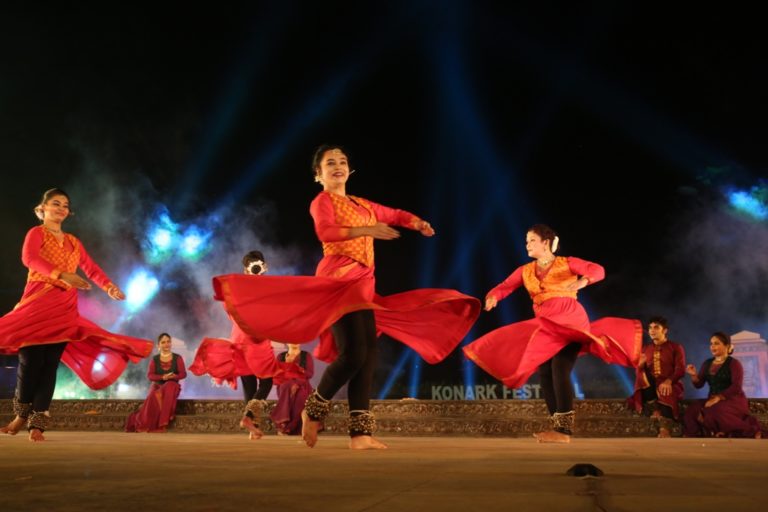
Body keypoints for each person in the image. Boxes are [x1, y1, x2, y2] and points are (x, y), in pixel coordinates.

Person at [212, 144, 480, 450]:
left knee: (368, 354)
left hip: (363, 284)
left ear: (349, 169)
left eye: (342, 161)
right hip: (338, 281)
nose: (338, 166)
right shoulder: (322, 201)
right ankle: (313, 410)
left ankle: (359, 434)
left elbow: (394, 214)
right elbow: (326, 232)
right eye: (330, 163)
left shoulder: (362, 204)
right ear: (318, 174)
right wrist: (367, 230)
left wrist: (416, 223)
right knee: (353, 354)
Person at [464, 224, 641, 443]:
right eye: (526, 241)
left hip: (570, 324)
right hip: (547, 328)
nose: (527, 245)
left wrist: (583, 280)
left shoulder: (567, 262)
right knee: (545, 373)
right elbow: (504, 286)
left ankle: (564, 431)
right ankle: (558, 429)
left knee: (560, 367)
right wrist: (493, 297)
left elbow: (597, 270)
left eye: (531, 240)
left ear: (545, 242)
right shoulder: (525, 271)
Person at [0, 188, 153, 441]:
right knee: (30, 362)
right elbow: (29, 258)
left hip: (64, 307)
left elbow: (91, 269)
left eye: (65, 205)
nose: (61, 209)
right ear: (42, 208)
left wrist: (109, 287)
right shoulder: (36, 233)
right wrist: (61, 275)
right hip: (37, 302)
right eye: (56, 204)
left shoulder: (73, 241)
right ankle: (20, 416)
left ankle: (38, 424)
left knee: (50, 365)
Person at [189, 250, 279, 440]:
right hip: (255, 339)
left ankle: (252, 427)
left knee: (249, 382)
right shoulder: (257, 287)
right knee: (266, 380)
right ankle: (249, 418)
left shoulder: (239, 286)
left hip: (239, 338)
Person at [683, 332, 763, 438]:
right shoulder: (707, 363)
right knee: (692, 409)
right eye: (711, 344)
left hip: (733, 400)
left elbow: (736, 387)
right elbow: (699, 385)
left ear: (726, 346)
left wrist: (718, 398)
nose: (712, 346)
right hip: (712, 399)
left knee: (715, 411)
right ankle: (697, 435)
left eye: (716, 343)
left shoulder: (734, 363)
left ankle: (750, 430)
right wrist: (693, 375)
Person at [626, 316, 686, 437]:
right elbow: (639, 375)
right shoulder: (645, 349)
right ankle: (655, 409)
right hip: (650, 387)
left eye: (656, 327)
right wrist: (640, 366)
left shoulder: (675, 347)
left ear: (665, 330)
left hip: (671, 384)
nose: (652, 330)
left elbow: (681, 370)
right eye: (650, 328)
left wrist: (669, 381)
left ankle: (665, 429)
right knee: (641, 374)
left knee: (665, 391)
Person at [125, 333, 187, 432]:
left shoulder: (177, 358)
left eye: (168, 342)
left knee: (170, 385)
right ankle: (145, 422)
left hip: (172, 386)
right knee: (154, 394)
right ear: (158, 345)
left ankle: (162, 422)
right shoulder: (155, 359)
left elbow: (183, 374)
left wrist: (174, 376)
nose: (166, 344)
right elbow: (150, 375)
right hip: (158, 386)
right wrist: (163, 377)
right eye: (163, 342)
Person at [269, 343, 314, 435]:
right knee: (286, 386)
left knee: (301, 395)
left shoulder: (306, 355)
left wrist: (297, 369)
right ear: (287, 342)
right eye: (292, 341)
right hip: (285, 386)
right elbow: (276, 374)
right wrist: (287, 365)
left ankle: (288, 427)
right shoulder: (281, 356)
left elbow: (309, 374)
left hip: (302, 385)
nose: (295, 343)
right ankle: (286, 425)